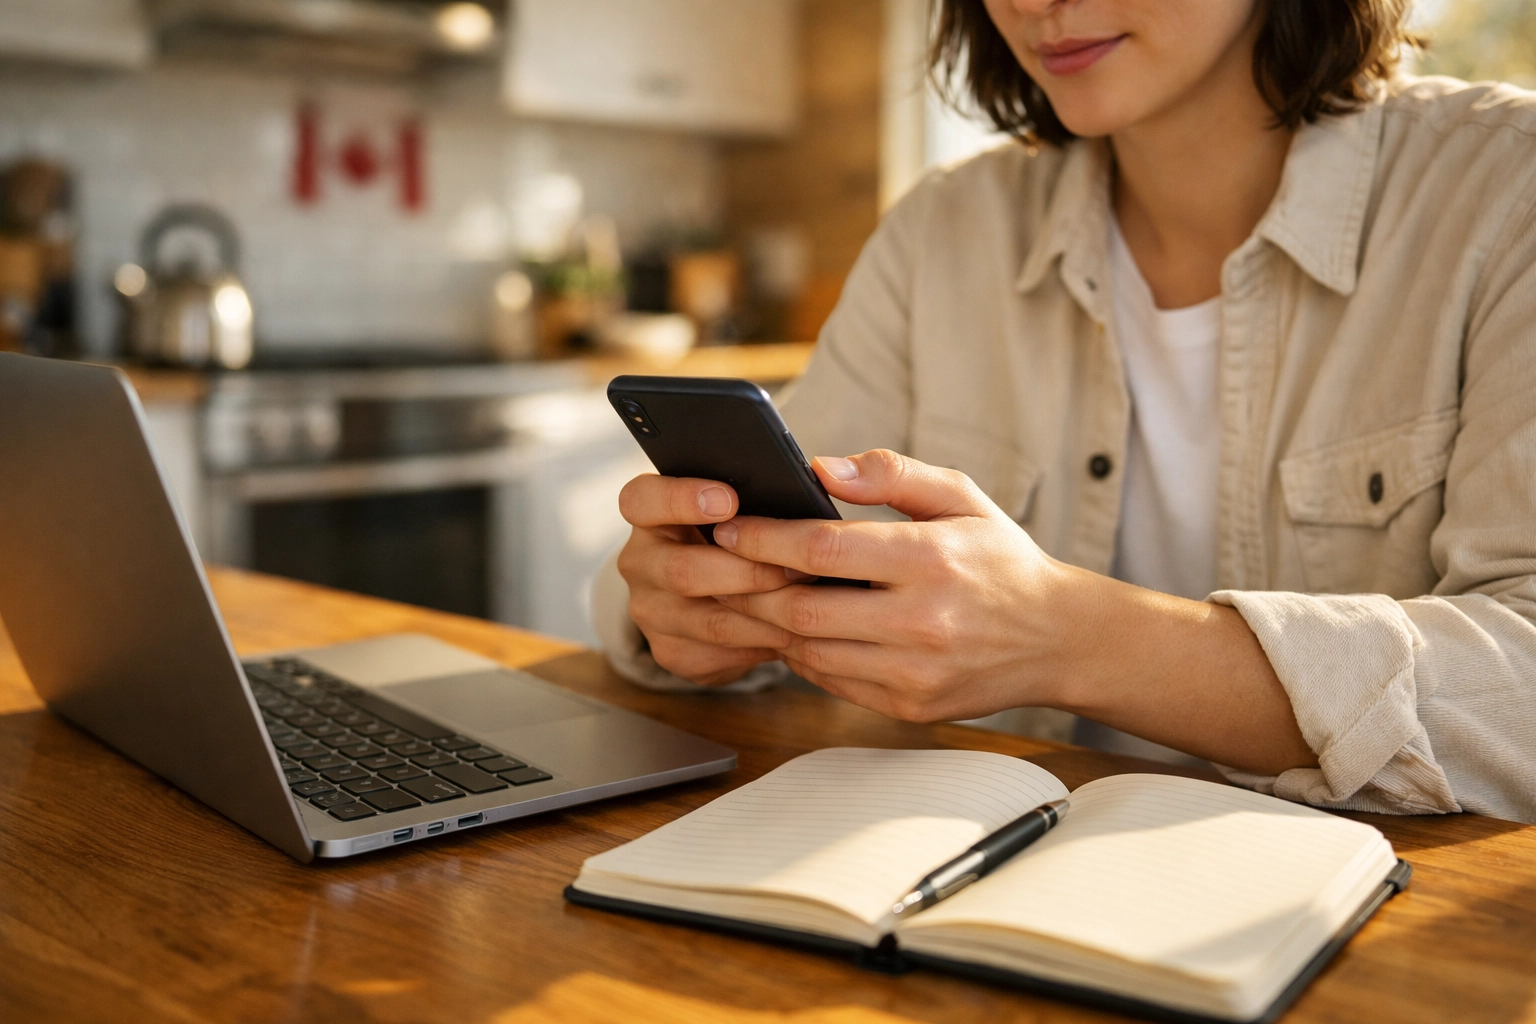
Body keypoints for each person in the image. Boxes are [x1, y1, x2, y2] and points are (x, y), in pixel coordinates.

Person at [592, 0, 1536, 823]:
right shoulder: (944, 231)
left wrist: (1075, 639)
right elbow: (699, 571)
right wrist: (683, 605)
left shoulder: (1505, 193)